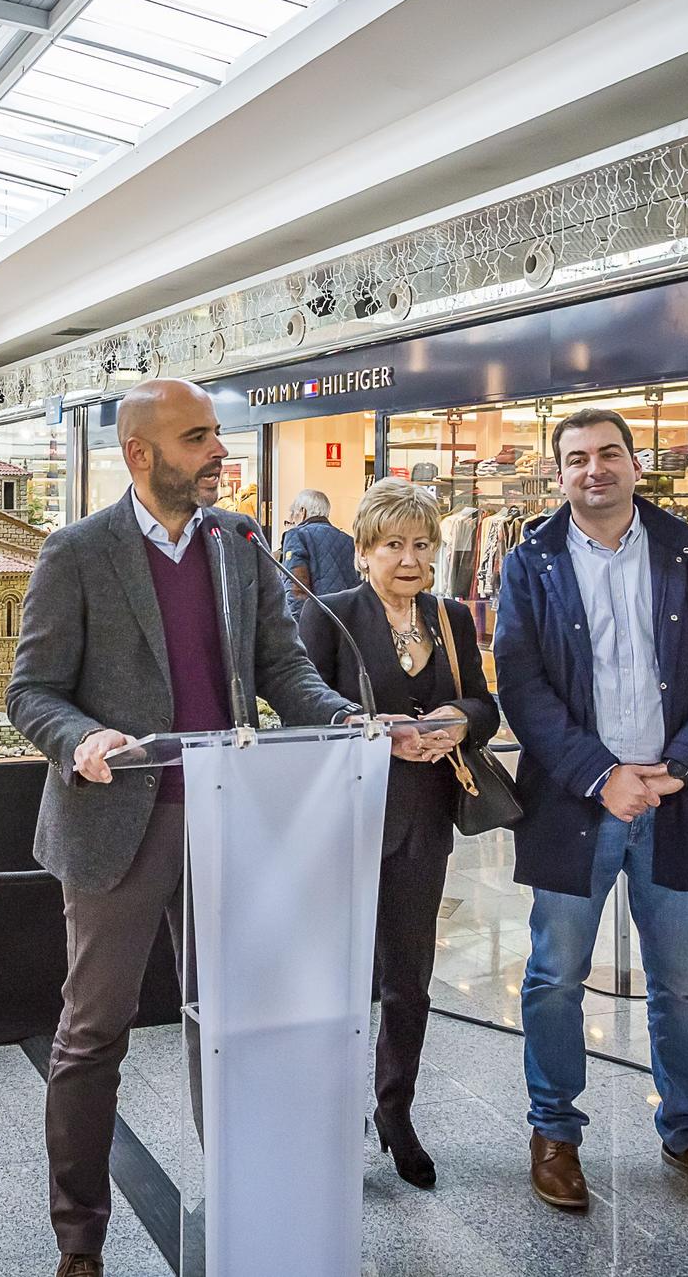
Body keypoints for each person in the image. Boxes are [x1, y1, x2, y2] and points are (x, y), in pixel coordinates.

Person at [6, 378, 375, 1277]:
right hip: (116, 824)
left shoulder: (239, 543)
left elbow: (284, 670)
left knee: (237, 1024)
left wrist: (345, 721)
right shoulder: (77, 552)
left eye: (216, 433)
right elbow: (29, 692)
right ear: (141, 454)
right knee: (94, 1031)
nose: (219, 449)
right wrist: (83, 737)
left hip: (235, 823)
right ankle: (80, 1236)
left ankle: (250, 1194)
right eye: (198, 436)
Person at [493, 407, 688, 1215]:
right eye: (576, 458)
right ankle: (555, 1133)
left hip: (677, 803)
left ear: (635, 463)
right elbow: (521, 686)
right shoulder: (531, 560)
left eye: (608, 453)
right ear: (558, 474)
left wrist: (678, 766)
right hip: (578, 804)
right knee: (552, 977)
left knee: (684, 985)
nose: (593, 470)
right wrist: (601, 774)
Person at [295, 477, 498, 1190]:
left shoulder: (448, 616)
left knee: (408, 979)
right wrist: (377, 735)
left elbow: (485, 704)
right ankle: (330, 1114)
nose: (408, 558)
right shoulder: (330, 616)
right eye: (392, 545)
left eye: (421, 544)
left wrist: (456, 719)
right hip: (346, 817)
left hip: (423, 821)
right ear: (361, 552)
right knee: (342, 978)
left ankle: (396, 1109)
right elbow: (299, 709)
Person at [279, 488, 359, 616]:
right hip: (347, 621)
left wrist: (297, 628)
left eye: (292, 512)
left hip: (317, 620)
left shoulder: (297, 536)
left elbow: (296, 588)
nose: (291, 518)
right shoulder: (349, 541)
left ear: (302, 512)